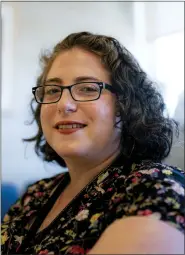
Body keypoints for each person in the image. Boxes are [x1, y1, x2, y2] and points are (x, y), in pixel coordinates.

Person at [1, 31, 184, 255]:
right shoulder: (35, 195)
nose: (64, 104)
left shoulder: (156, 188)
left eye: (87, 88)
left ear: (125, 105)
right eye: (52, 90)